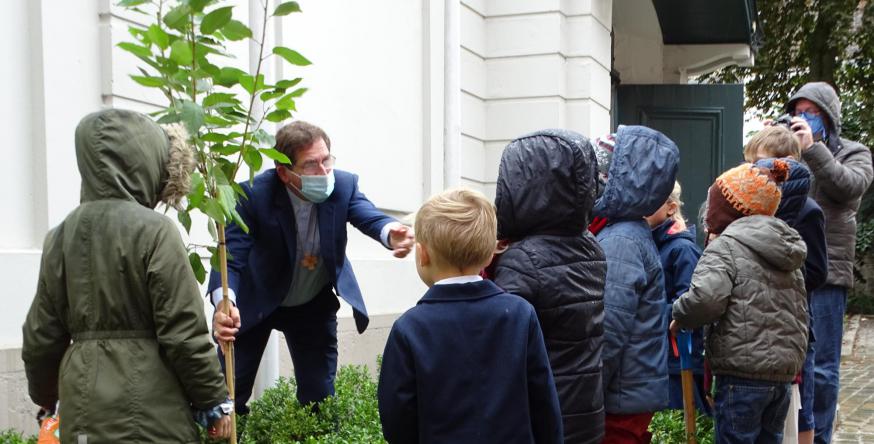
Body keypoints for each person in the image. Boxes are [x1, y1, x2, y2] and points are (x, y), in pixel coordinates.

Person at [21, 109, 232, 442]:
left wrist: (48, 398)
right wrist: (214, 401)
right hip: (153, 415)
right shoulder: (156, 232)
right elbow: (183, 332)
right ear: (148, 162)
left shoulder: (59, 237)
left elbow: (40, 338)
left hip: (83, 410)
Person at [210, 121, 414, 413]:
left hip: (311, 303)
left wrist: (391, 232)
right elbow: (231, 257)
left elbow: (369, 216)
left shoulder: (343, 184)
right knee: (228, 396)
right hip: (258, 300)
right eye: (311, 165)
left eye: (326, 160)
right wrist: (225, 302)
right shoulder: (253, 195)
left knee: (319, 397)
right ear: (284, 173)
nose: (323, 172)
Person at [377, 188, 563, 443]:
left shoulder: (410, 327)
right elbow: (544, 405)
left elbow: (397, 419)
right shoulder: (520, 315)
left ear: (422, 254)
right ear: (489, 255)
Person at [671, 159, 808, 444]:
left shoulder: (726, 246)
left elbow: (706, 299)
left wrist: (679, 314)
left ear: (729, 208)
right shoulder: (786, 247)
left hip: (741, 375)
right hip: (782, 376)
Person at [491, 129, 607, 443]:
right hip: (586, 410)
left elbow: (500, 341)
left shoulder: (522, 259)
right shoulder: (590, 246)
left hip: (545, 416)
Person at [782, 82, 873, 443]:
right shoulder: (792, 150)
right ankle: (796, 433)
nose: (802, 119)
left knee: (822, 367)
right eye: (798, 112)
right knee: (793, 360)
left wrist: (815, 150)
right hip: (788, 267)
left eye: (811, 113)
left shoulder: (855, 152)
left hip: (828, 272)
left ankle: (820, 437)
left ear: (828, 118)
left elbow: (848, 189)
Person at [594, 125, 679, 443]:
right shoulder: (622, 232)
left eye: (600, 174)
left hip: (619, 398)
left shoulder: (620, 240)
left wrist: (585, 395)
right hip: (627, 393)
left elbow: (608, 330)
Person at [744, 125, 829, 444]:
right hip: (758, 321)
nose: (756, 172)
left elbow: (818, 271)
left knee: (801, 402)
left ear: (786, 165)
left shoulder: (808, 210)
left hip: (794, 322)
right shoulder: (752, 206)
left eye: (762, 163)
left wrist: (779, 274)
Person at [644, 181, 711, 416]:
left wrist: (645, 312)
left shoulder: (682, 250)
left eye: (650, 202)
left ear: (671, 207)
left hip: (677, 360)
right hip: (658, 357)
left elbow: (688, 304)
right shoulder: (649, 243)